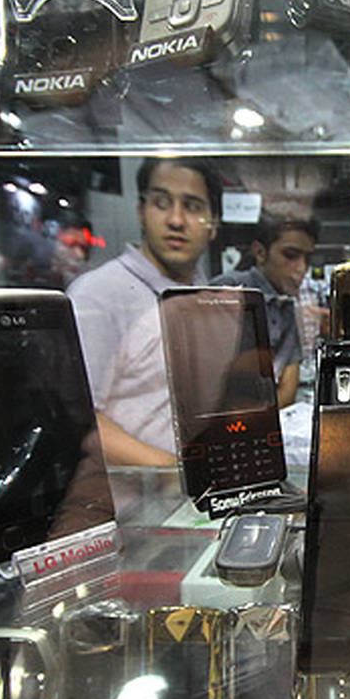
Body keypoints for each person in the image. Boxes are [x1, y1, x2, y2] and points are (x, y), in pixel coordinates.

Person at [66, 158, 222, 467]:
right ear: (141, 211)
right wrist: (175, 472)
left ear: (213, 224)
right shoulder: (96, 295)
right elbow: (80, 421)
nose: (176, 220)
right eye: (161, 203)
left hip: (196, 484)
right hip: (129, 492)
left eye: (192, 207)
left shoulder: (206, 295)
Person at [210, 210, 319, 407]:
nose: (302, 268)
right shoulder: (228, 292)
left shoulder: (286, 306)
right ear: (260, 252)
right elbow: (208, 386)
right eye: (290, 256)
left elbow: (288, 387)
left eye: (308, 258)